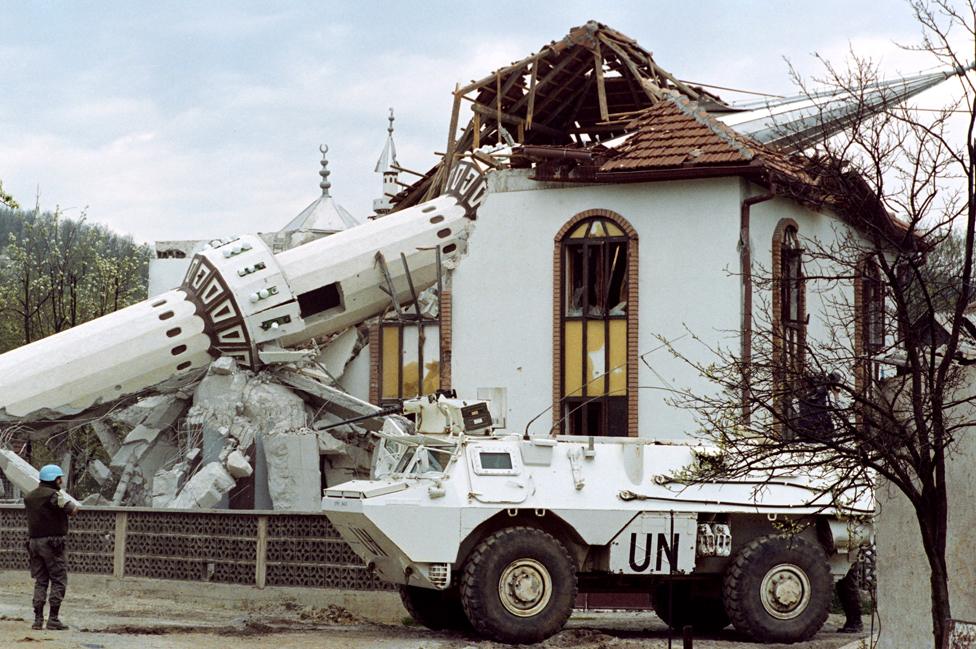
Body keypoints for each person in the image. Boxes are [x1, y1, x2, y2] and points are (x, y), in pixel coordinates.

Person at [24, 464, 79, 631]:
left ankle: (38, 620)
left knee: (40, 581)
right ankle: (53, 619)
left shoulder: (30, 496)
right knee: (58, 579)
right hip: (52, 544)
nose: (61, 481)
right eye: (59, 478)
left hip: (34, 543)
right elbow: (73, 510)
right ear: (54, 479)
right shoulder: (54, 495)